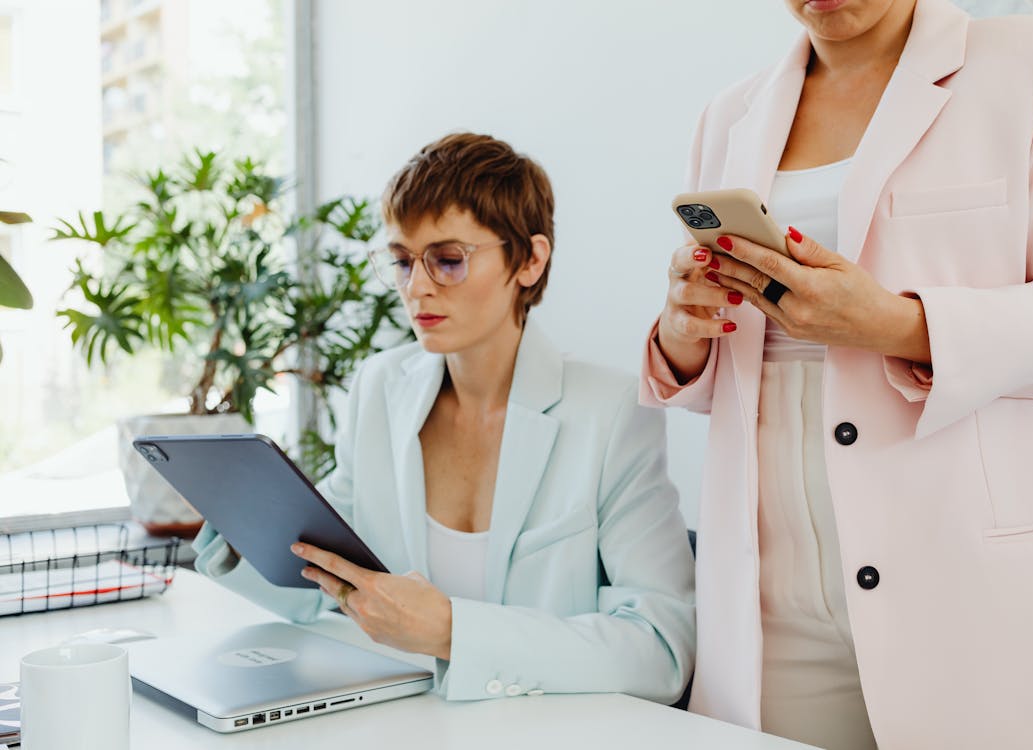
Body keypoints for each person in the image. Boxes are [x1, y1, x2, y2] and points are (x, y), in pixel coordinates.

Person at [643, 0, 1033, 748]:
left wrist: (897, 324)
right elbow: (732, 371)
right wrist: (682, 328)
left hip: (972, 576)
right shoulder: (729, 114)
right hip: (770, 597)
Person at [195, 132, 695, 703]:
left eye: (449, 261)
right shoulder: (380, 388)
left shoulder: (608, 411)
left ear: (530, 260)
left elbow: (661, 649)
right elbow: (326, 587)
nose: (417, 288)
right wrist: (233, 516)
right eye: (403, 262)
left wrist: (453, 632)